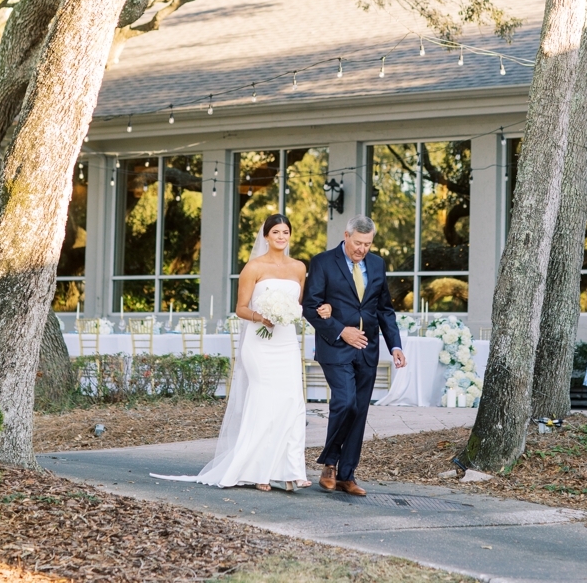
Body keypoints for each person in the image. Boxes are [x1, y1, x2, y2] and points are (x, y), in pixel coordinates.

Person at [156, 212, 311, 492]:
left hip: (286, 341)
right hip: (260, 342)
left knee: (292, 401)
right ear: (266, 236)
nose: (281, 237)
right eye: (275, 232)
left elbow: (297, 305)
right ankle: (259, 471)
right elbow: (240, 308)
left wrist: (286, 313)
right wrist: (261, 317)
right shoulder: (253, 267)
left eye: (285, 232)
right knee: (264, 402)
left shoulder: (299, 268)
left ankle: (292, 469)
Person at [301, 213, 407, 495]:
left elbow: (384, 309)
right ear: (346, 236)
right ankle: (329, 462)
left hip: (368, 350)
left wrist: (395, 345)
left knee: (359, 411)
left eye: (368, 244)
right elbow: (310, 307)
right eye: (358, 243)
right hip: (335, 347)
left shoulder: (377, 264)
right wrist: (340, 330)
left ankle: (347, 475)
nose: (362, 249)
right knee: (345, 402)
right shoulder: (323, 262)